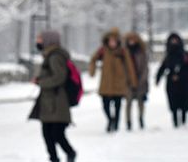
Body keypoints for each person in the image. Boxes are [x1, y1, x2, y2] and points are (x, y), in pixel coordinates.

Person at [28, 30, 77, 162]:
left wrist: (40, 82)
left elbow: (59, 77)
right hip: (49, 101)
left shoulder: (55, 56)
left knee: (56, 133)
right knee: (48, 133)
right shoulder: (49, 55)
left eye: (40, 39)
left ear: (48, 40)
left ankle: (70, 153)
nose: (37, 41)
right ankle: (54, 158)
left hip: (57, 102)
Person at [89, 28, 138, 133]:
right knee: (105, 105)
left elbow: (130, 67)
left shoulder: (123, 51)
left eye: (114, 41)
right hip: (106, 83)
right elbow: (93, 59)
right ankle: (110, 120)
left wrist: (133, 82)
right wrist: (92, 71)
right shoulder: (103, 51)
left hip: (119, 83)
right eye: (110, 40)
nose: (112, 43)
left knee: (117, 106)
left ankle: (115, 124)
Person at [156, 32, 188, 128]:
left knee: (184, 102)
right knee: (173, 103)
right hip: (171, 83)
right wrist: (158, 78)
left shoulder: (185, 55)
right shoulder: (168, 56)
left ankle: (184, 121)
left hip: (184, 83)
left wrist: (180, 75)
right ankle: (175, 121)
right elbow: (163, 67)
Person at [124, 31, 149, 131]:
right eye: (130, 40)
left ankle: (141, 118)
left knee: (140, 102)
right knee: (128, 102)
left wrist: (142, 79)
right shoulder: (125, 52)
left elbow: (145, 67)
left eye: (133, 40)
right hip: (128, 82)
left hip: (141, 81)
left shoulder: (141, 52)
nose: (131, 42)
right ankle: (128, 121)